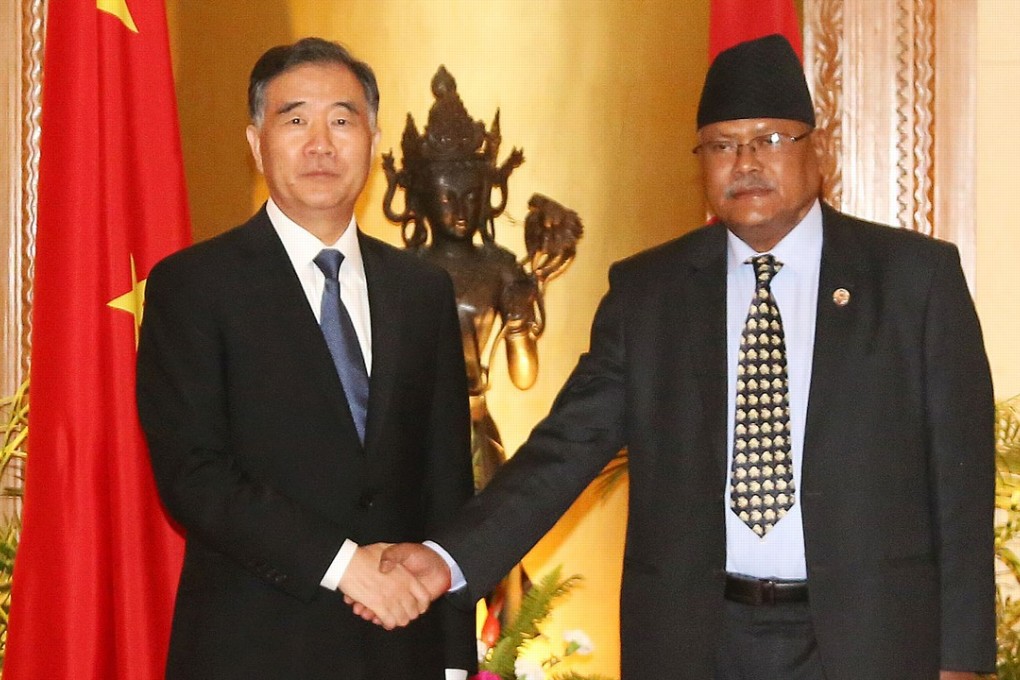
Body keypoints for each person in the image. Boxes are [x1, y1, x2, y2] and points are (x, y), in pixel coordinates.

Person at [366, 34, 996, 679]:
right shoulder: (650, 294)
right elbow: (564, 450)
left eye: (770, 139)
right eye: (722, 145)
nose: (745, 162)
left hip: (871, 638)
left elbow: (960, 484)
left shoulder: (914, 280)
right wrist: (449, 557)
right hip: (696, 639)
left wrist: (961, 660)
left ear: (818, 151)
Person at [136, 37, 476, 679]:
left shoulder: (421, 289)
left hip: (402, 650)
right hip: (252, 649)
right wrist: (346, 564)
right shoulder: (192, 286)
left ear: (373, 140)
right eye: (295, 120)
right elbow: (195, 474)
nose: (321, 143)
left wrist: (455, 661)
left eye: (343, 120)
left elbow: (447, 482)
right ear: (255, 141)